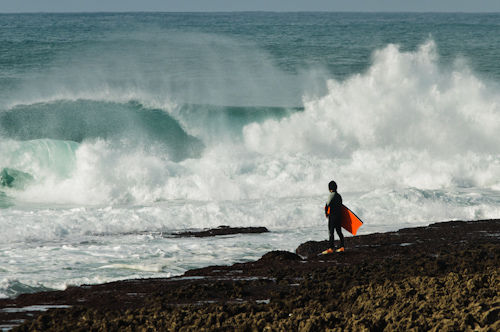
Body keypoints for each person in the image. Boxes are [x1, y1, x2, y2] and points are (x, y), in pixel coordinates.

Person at [322, 180, 345, 254]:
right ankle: (342, 247)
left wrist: (326, 213)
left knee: (331, 232)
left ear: (330, 189)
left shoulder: (331, 195)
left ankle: (331, 248)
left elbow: (327, 204)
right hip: (339, 216)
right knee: (339, 231)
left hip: (332, 216)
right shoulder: (339, 196)